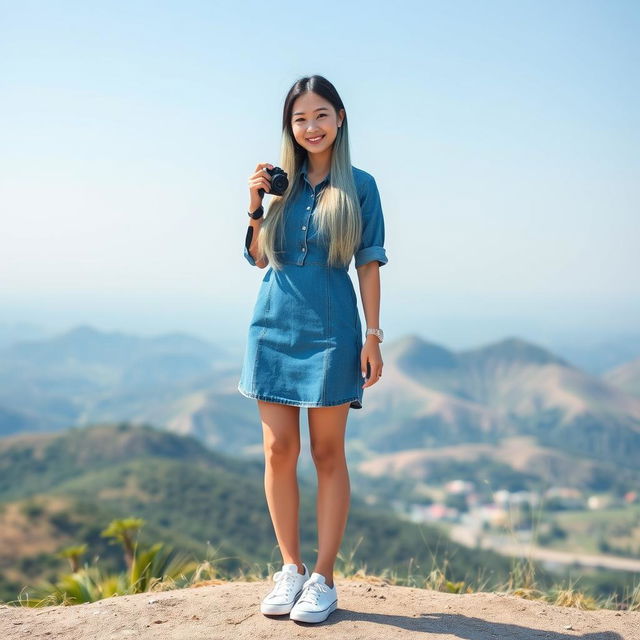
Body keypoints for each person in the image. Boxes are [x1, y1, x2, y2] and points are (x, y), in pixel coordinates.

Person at [237, 74, 388, 624]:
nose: (311, 127)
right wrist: (256, 203)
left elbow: (369, 262)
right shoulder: (280, 184)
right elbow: (257, 258)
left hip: (331, 330)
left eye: (321, 115)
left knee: (327, 454)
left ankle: (324, 577)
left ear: (340, 118)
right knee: (279, 451)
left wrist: (372, 335)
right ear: (290, 126)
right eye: (300, 118)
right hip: (272, 325)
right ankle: (291, 568)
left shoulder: (362, 185)